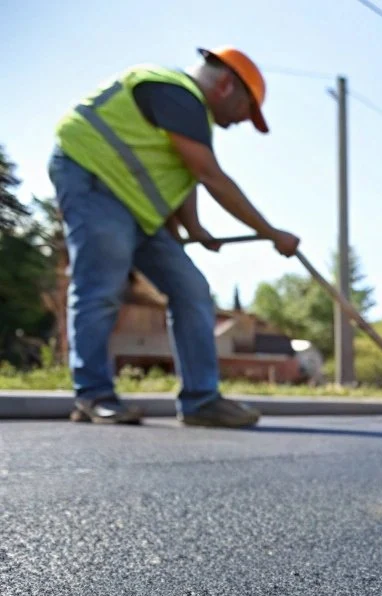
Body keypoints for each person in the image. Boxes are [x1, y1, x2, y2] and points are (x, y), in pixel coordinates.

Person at [49, 47, 301, 427]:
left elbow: (181, 175)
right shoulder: (174, 91)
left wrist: (196, 230)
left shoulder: (193, 117)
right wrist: (272, 234)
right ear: (226, 85)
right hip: (94, 180)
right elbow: (208, 174)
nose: (241, 121)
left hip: (140, 210)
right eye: (245, 110)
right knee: (101, 286)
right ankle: (94, 394)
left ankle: (201, 401)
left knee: (192, 289)